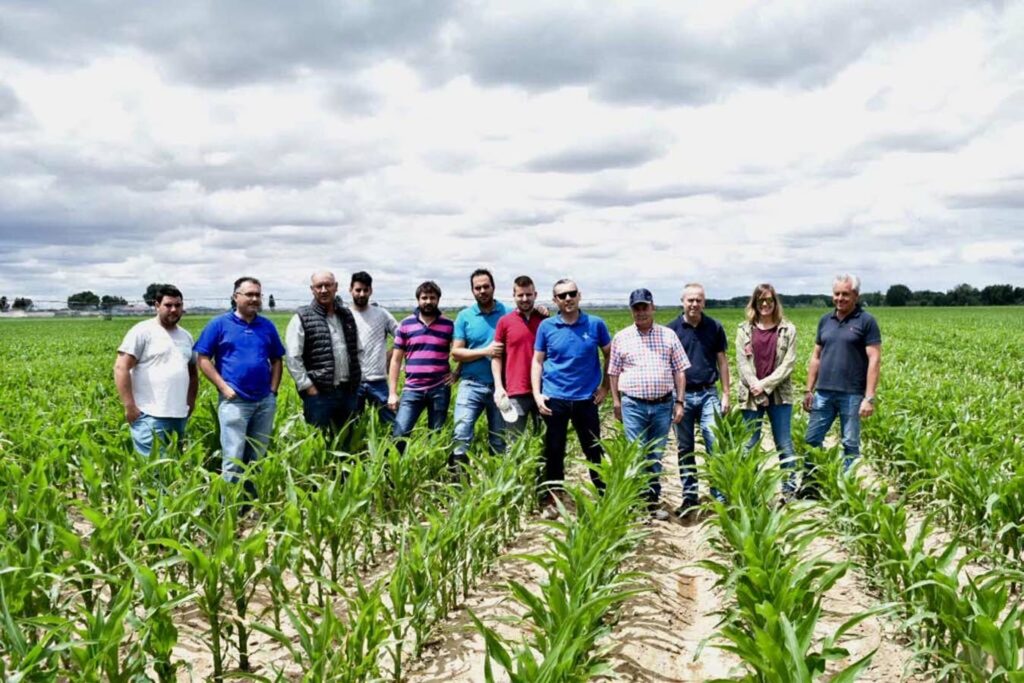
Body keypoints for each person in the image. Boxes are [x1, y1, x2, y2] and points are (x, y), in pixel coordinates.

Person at [195, 277, 285, 494]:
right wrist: (224, 388)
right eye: (249, 294)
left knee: (258, 454)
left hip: (264, 401)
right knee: (234, 456)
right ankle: (230, 506)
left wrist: (272, 391)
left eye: (258, 295)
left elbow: (277, 359)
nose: (255, 299)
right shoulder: (219, 324)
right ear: (236, 297)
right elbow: (203, 358)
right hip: (235, 401)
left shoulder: (267, 326)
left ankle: (253, 500)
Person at [609, 288, 689, 521]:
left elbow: (680, 371)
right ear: (631, 310)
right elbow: (613, 373)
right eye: (636, 308)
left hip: (663, 405)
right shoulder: (622, 337)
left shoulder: (668, 335)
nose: (641, 312)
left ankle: (651, 502)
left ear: (653, 308)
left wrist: (680, 402)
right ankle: (637, 503)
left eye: (645, 307)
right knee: (636, 454)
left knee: (654, 454)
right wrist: (616, 402)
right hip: (633, 405)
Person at [532, 278, 612, 513]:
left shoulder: (595, 324)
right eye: (562, 295)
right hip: (555, 398)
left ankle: (603, 494)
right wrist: (537, 394)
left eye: (571, 294)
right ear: (555, 300)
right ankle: (554, 499)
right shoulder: (546, 327)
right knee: (554, 449)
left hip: (586, 399)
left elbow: (610, 355)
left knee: (593, 448)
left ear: (579, 296)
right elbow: (537, 362)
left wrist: (605, 387)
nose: (568, 298)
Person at [801, 274, 882, 494]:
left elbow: (874, 359)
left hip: (852, 395)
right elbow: (816, 356)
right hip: (823, 393)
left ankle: (846, 490)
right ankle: (810, 486)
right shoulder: (825, 321)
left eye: (845, 294)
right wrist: (809, 389)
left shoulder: (866, 321)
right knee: (812, 440)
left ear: (856, 295)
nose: (840, 298)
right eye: (837, 293)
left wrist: (869, 397)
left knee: (850, 444)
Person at [667, 282, 731, 518]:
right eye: (690, 300)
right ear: (682, 301)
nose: (694, 304)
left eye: (699, 300)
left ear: (704, 302)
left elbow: (722, 361)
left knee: (714, 444)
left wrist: (726, 393)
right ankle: (689, 497)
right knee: (685, 448)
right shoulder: (671, 329)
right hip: (681, 397)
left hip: (708, 394)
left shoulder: (714, 326)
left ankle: (718, 497)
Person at [113, 284, 198, 455]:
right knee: (154, 473)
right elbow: (121, 367)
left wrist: (189, 404)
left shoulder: (186, 336)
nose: (173, 310)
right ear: (157, 306)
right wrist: (130, 407)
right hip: (150, 415)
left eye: (178, 305)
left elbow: (193, 374)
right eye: (168, 305)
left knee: (173, 470)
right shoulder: (142, 332)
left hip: (179, 415)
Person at [736, 283, 798, 497]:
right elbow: (742, 363)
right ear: (754, 302)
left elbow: (788, 364)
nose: (765, 304)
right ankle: (748, 488)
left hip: (779, 395)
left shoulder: (788, 329)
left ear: (775, 302)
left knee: (784, 443)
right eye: (761, 300)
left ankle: (789, 490)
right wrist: (756, 386)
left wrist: (764, 385)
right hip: (751, 396)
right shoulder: (743, 330)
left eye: (769, 300)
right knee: (749, 445)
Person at [285, 270, 363, 434]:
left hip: (348, 392)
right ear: (312, 289)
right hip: (319, 394)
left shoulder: (346, 315)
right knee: (319, 440)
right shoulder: (302, 317)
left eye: (327, 285)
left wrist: (357, 378)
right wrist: (308, 386)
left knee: (347, 438)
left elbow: (357, 349)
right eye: (318, 286)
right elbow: (293, 357)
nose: (323, 290)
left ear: (336, 287)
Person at [450, 268, 508, 468]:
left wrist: (540, 310)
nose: (482, 291)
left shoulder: (508, 312)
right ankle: (459, 480)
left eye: (486, 286)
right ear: (472, 291)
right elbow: (457, 352)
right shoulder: (465, 316)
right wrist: (486, 351)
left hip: (501, 386)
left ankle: (497, 482)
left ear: (493, 287)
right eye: (478, 288)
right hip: (471, 384)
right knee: (461, 432)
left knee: (499, 439)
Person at [388, 281, 456, 447]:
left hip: (440, 389)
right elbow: (396, 360)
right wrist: (392, 392)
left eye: (432, 297)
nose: (428, 301)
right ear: (418, 300)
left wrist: (457, 372)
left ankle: (432, 469)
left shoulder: (448, 325)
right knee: (399, 434)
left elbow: (459, 351)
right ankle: (397, 469)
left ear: (438, 300)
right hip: (412, 389)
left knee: (436, 435)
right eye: (424, 297)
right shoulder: (405, 325)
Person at [492, 275, 548, 437]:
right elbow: (496, 356)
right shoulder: (504, 322)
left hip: (545, 389)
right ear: (514, 296)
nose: (525, 299)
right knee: (514, 441)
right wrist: (498, 386)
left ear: (535, 295)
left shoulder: (545, 321)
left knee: (545, 440)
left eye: (528, 295)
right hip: (516, 390)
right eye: (520, 295)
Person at [349, 271, 399, 425]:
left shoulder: (382, 314)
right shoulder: (345, 315)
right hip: (352, 381)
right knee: (352, 426)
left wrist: (390, 354)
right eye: (358, 290)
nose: (362, 294)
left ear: (371, 290)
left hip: (378, 381)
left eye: (365, 290)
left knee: (392, 423)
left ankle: (396, 449)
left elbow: (402, 336)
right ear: (350, 290)